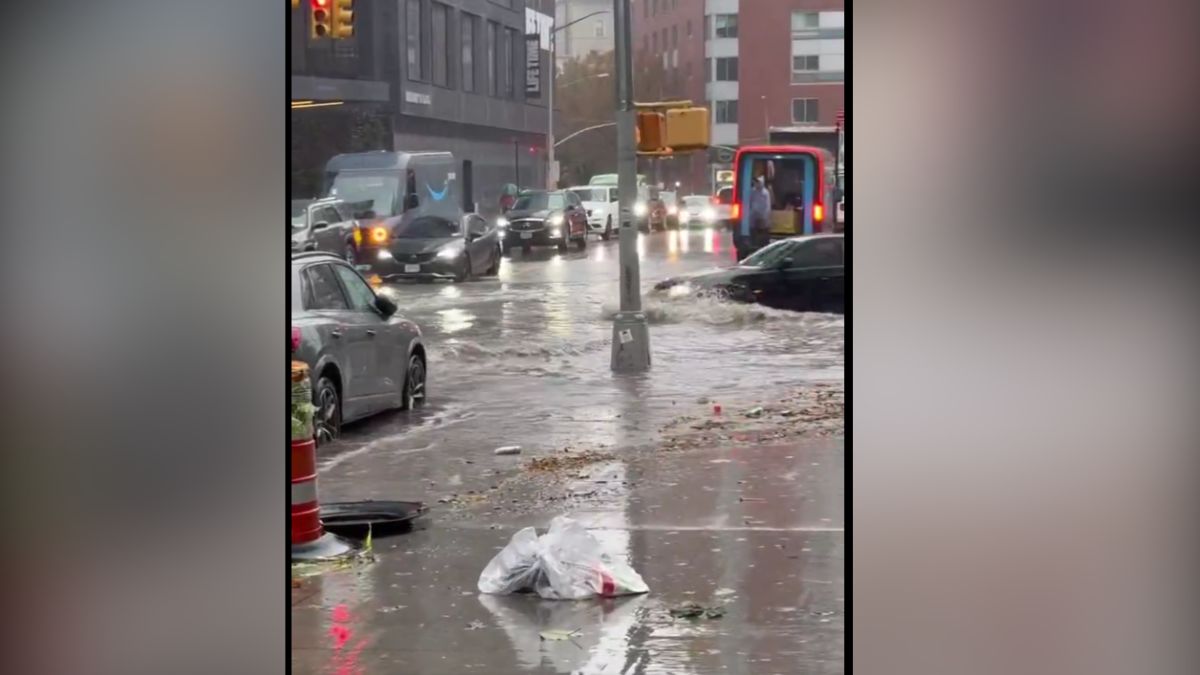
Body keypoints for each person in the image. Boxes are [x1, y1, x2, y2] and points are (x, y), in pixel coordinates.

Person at [743, 175, 772, 259]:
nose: (756, 184)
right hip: (753, 216)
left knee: (762, 234)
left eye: (757, 183)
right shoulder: (753, 191)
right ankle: (754, 247)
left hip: (762, 217)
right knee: (754, 232)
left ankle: (763, 247)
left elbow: (767, 206)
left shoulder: (765, 193)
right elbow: (750, 202)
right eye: (755, 183)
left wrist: (764, 216)